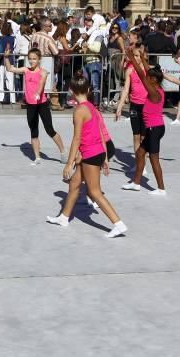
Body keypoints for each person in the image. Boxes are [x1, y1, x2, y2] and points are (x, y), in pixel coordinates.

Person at [47, 75, 127, 238]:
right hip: (95, 152)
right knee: (75, 183)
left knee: (94, 191)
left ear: (71, 91)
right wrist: (105, 157)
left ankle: (118, 223)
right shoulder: (92, 107)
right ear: (89, 90)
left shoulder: (79, 111)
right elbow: (100, 133)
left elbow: (76, 139)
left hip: (90, 155)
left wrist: (69, 163)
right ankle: (64, 217)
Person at [121, 52, 180, 195]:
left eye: (149, 78)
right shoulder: (157, 88)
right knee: (140, 153)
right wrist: (143, 58)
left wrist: (132, 59)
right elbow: (147, 72)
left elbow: (142, 75)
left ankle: (161, 189)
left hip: (153, 129)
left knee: (154, 159)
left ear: (154, 80)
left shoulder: (154, 92)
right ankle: (136, 183)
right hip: (155, 128)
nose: (147, 79)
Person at [4, 46, 65, 164]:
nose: (32, 61)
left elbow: (41, 83)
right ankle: (37, 157)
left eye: (34, 59)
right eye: (30, 59)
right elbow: (10, 68)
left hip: (41, 104)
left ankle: (63, 151)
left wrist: (37, 92)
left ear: (39, 59)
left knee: (49, 129)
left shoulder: (43, 72)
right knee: (33, 130)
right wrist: (6, 58)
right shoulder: (26, 70)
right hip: (31, 105)